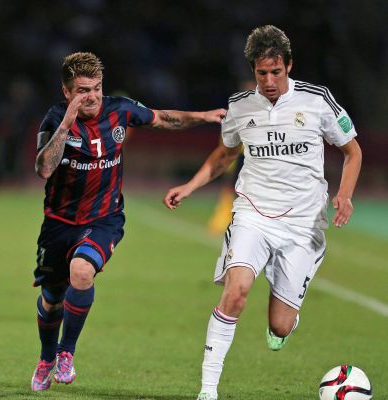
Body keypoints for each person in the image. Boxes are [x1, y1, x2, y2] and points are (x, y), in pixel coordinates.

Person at [163, 25, 362, 400]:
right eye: (261, 73)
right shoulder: (240, 106)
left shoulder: (317, 100)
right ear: (253, 70)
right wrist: (189, 186)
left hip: (303, 223)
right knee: (236, 292)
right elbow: (225, 155)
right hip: (252, 213)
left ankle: (285, 317)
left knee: (280, 326)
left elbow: (353, 151)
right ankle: (208, 390)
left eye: (276, 72)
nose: (269, 81)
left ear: (289, 65)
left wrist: (345, 194)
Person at [31, 51, 226, 392]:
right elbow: (44, 168)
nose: (92, 96)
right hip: (59, 223)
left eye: (96, 88)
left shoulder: (118, 110)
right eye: (82, 90)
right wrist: (66, 124)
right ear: (67, 92)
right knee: (52, 299)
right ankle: (47, 357)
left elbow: (163, 118)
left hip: (104, 218)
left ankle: (66, 352)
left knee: (82, 271)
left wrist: (204, 116)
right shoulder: (55, 118)